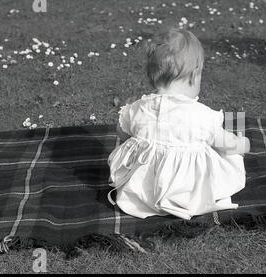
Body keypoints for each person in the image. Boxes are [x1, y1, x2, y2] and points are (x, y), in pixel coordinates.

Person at [107, 28, 250, 220]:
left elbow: (121, 132)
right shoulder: (201, 116)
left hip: (140, 195)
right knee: (229, 147)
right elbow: (225, 143)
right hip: (186, 192)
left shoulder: (138, 109)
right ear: (193, 76)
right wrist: (242, 145)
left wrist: (139, 141)